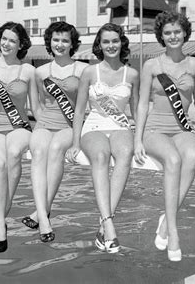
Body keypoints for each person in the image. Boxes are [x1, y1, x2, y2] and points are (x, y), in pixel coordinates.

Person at [134, 11, 195, 262]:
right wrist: (137, 139)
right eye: (168, 33)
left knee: (193, 156)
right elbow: (142, 104)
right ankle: (172, 231)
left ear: (185, 33)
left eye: (177, 31)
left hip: (182, 129)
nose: (173, 36)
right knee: (173, 160)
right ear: (161, 36)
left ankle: (167, 217)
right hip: (155, 129)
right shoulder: (152, 65)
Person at [66, 23, 139, 254]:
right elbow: (79, 111)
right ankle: (108, 223)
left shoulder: (132, 74)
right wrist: (76, 143)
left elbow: (137, 111)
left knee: (125, 154)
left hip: (120, 125)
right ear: (99, 44)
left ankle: (104, 225)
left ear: (122, 42)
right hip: (95, 125)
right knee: (100, 155)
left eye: (115, 41)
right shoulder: (90, 72)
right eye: (106, 41)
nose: (111, 46)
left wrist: (140, 139)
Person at [22, 22, 88, 242]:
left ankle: (41, 214)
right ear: (50, 42)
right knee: (39, 150)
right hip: (45, 123)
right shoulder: (40, 72)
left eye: (65, 40)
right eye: (56, 40)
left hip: (71, 124)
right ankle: (44, 214)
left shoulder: (82, 70)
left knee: (57, 148)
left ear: (72, 44)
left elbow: (83, 105)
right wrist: (41, 125)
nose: (60, 44)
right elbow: (37, 105)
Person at [0, 22, 40, 253]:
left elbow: (36, 107)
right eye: (4, 38)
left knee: (13, 153)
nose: (6, 43)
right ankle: (2, 221)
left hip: (20, 126)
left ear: (20, 44)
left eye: (12, 40)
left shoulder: (29, 71)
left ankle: (3, 208)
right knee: (0, 162)